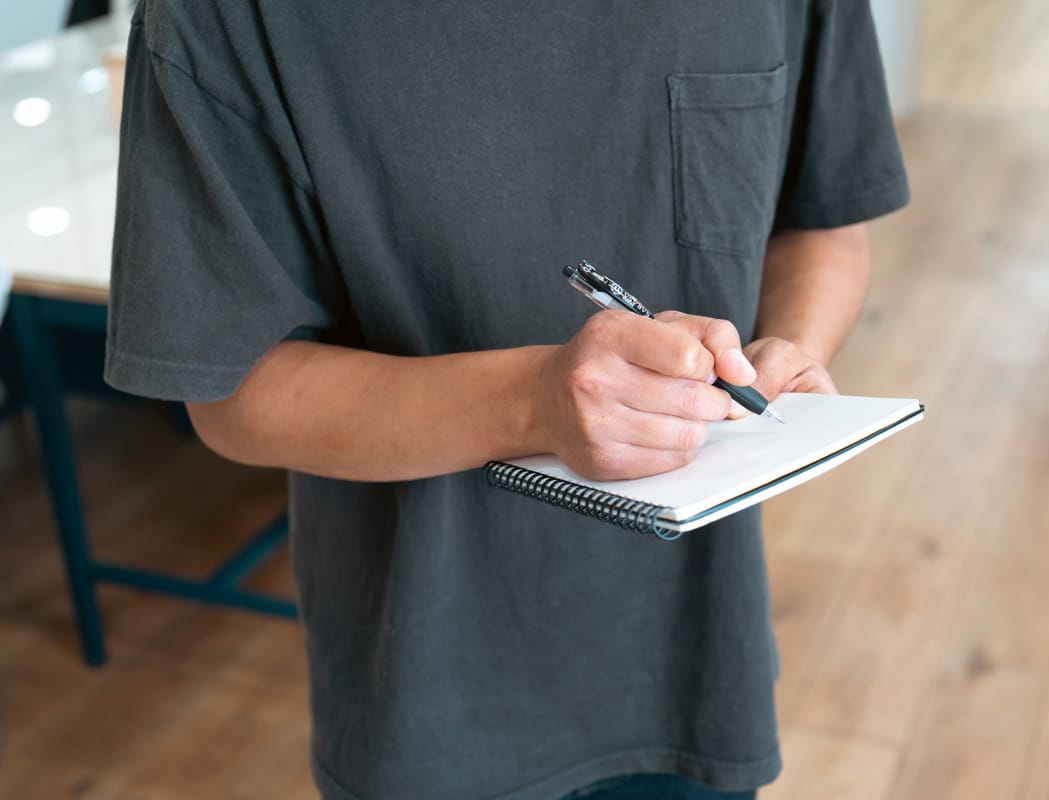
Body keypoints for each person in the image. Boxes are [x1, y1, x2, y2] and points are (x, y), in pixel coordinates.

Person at [104, 2, 909, 798]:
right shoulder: (225, 16)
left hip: (695, 658)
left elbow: (824, 222)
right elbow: (232, 394)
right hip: (429, 693)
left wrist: (790, 350)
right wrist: (532, 402)